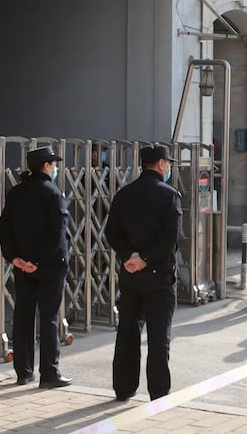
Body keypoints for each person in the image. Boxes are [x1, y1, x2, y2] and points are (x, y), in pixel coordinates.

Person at [107, 144, 182, 401]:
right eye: (168, 163)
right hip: (159, 276)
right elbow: (170, 237)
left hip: (130, 275)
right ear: (161, 164)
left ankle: (124, 388)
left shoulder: (124, 194)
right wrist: (145, 257)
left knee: (127, 331)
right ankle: (159, 391)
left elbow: (111, 233)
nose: (169, 167)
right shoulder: (169, 195)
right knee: (159, 335)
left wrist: (130, 256)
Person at [0, 145, 71, 388]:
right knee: (48, 318)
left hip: (22, 266)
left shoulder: (16, 193)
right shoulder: (54, 193)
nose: (56, 167)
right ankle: (49, 373)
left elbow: (4, 229)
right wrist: (38, 261)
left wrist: (16, 258)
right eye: (54, 164)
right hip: (50, 266)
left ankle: (23, 371)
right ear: (46, 166)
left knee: (23, 316)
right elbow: (57, 234)